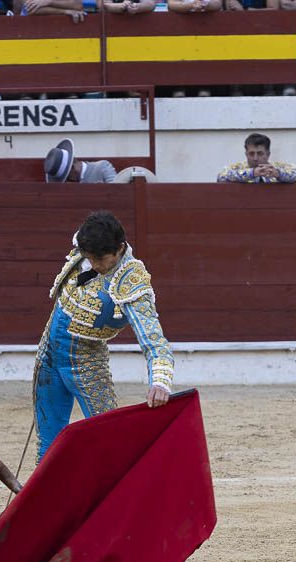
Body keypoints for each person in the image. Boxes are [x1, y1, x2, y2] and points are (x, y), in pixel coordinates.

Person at [33, 211, 174, 462]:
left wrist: (160, 382)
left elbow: (154, 340)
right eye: (90, 257)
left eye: (100, 259)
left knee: (111, 440)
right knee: (47, 444)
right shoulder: (87, 244)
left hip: (86, 362)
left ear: (119, 248)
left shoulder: (131, 281)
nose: (95, 264)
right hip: (49, 354)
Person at [216, 132, 296, 184]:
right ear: (246, 154)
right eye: (251, 154)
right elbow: (221, 177)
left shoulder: (277, 168)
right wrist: (251, 173)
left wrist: (278, 174)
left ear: (268, 154)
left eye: (260, 153)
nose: (255, 158)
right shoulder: (237, 167)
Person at [44, 138, 117, 184]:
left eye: (67, 178)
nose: (67, 182)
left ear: (73, 168)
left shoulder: (102, 167)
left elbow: (117, 192)